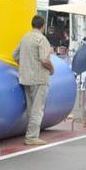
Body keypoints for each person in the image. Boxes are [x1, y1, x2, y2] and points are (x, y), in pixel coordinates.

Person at [13, 15, 54, 146]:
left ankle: (30, 133)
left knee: (31, 109)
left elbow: (15, 55)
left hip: (25, 77)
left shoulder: (25, 38)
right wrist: (52, 69)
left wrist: (25, 64)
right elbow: (44, 59)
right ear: (43, 26)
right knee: (37, 109)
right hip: (40, 78)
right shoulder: (41, 39)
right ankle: (31, 137)